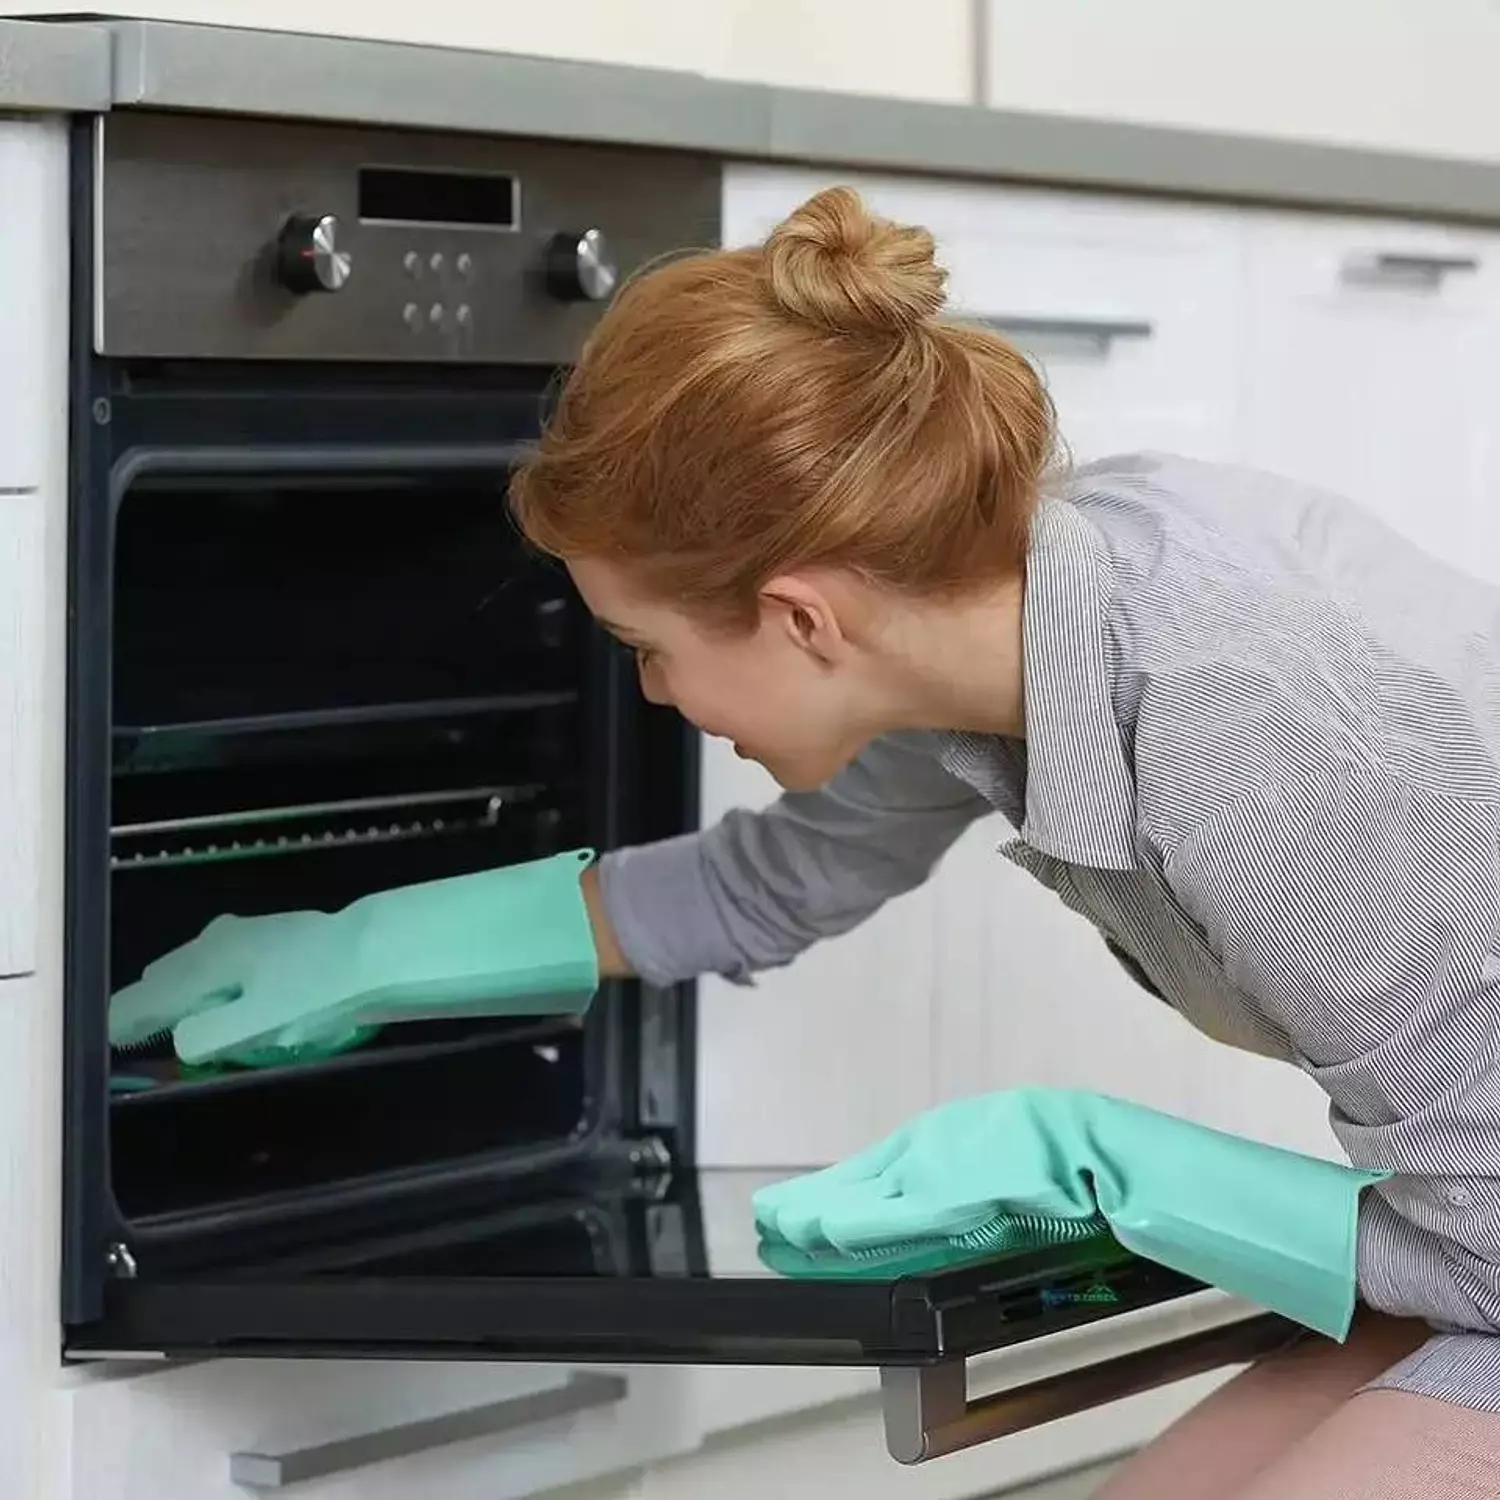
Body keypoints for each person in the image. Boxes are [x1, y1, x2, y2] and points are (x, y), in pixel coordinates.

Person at [119, 185, 1500, 1495]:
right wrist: (369, 948)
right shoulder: (982, 621)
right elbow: (767, 883)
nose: (653, 693)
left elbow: (1486, 1255)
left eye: (645, 650)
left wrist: (1120, 1170)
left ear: (800, 619)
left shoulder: (1243, 737)